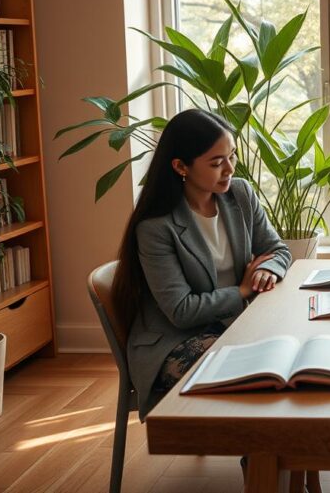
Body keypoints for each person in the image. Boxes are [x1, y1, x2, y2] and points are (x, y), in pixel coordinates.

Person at [114, 108, 291, 420]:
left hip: (229, 325)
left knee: (291, 361)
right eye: (216, 162)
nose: (229, 169)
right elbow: (181, 311)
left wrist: (266, 269)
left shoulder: (240, 195)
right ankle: (261, 464)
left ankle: (283, 461)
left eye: (232, 156)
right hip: (172, 341)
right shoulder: (156, 227)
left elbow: (277, 250)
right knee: (258, 379)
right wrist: (242, 290)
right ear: (181, 166)